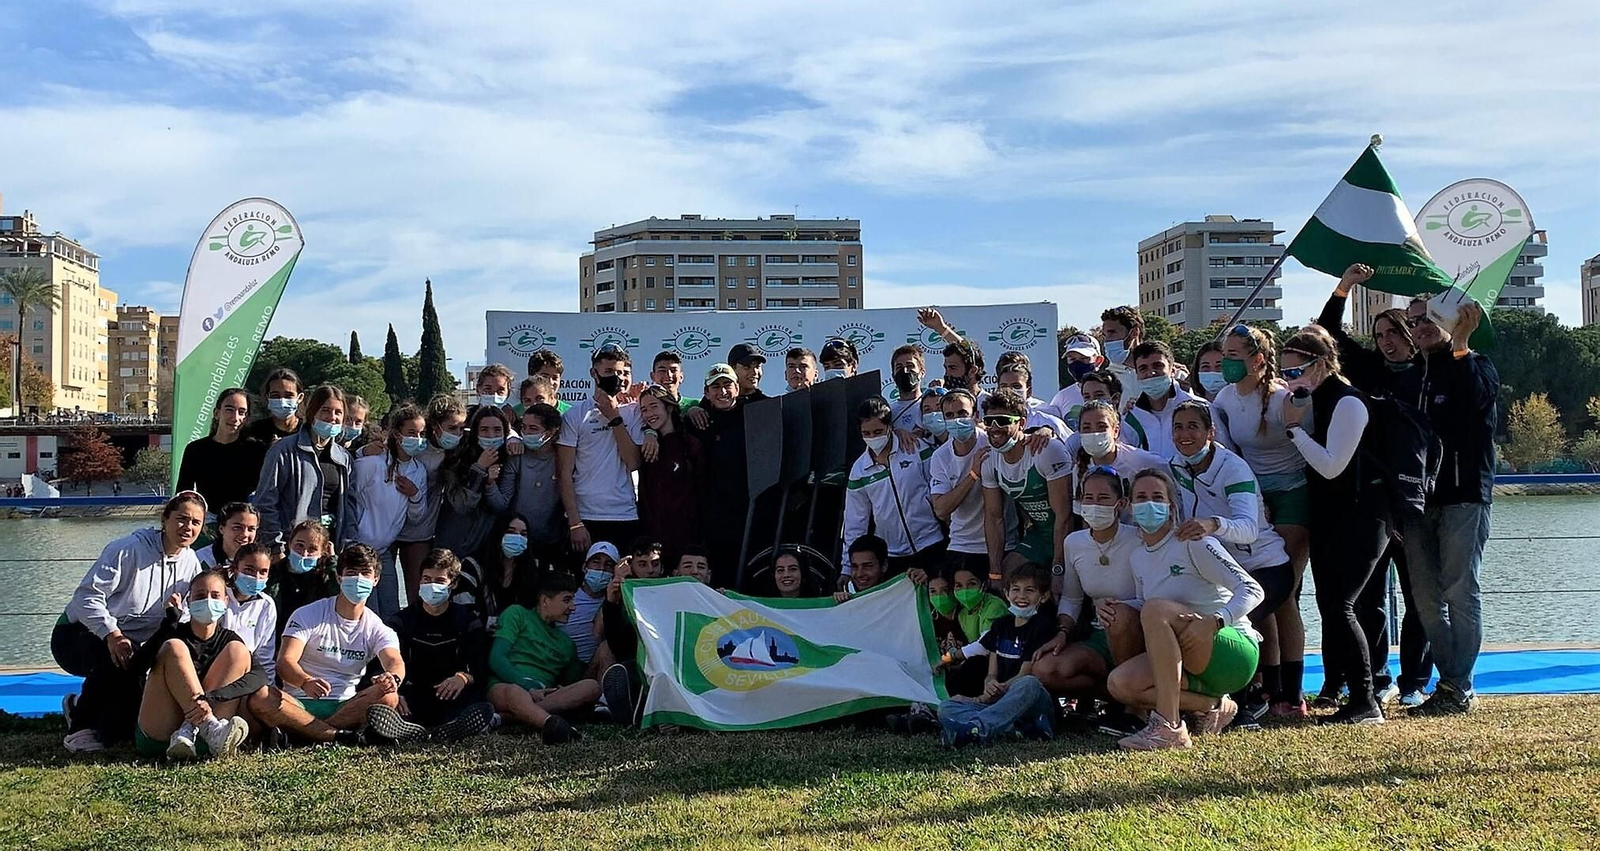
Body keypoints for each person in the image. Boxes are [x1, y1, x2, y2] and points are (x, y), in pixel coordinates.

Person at [1106, 468, 1265, 751]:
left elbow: (1253, 589)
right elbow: (1146, 606)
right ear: (1129, 506)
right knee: (1120, 685)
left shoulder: (1195, 542)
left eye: (1157, 497)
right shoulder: (1139, 556)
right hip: (1186, 651)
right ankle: (1215, 705)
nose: (1149, 503)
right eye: (1141, 497)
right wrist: (1111, 606)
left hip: (1230, 649)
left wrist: (1216, 621)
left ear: (1171, 508)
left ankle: (1169, 727)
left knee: (1156, 611)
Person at [1281, 327, 1390, 725]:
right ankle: (1352, 694)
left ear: (1323, 364)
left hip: (1362, 516)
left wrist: (1293, 430)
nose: (1292, 379)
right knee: (1331, 605)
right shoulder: (1317, 401)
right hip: (1329, 515)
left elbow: (1331, 465)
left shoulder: (1348, 402)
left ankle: (1366, 700)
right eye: (1287, 371)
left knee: (1342, 605)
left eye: (1298, 371)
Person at [1399, 292, 1498, 716]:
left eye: (1429, 318)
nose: (1420, 326)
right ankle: (1452, 683)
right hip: (1420, 503)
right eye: (1414, 320)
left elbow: (1475, 402)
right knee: (1424, 598)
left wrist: (1460, 345)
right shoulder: (1413, 374)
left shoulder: (1476, 364)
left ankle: (1457, 686)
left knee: (1460, 591)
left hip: (1463, 497)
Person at [1167, 400, 1295, 725]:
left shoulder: (1233, 468)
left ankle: (1245, 702)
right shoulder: (1176, 465)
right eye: (1178, 427)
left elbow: (1249, 530)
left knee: (1234, 626)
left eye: (1193, 426)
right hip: (1224, 572)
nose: (1185, 435)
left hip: (1267, 567)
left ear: (1210, 432)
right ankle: (1213, 699)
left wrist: (1212, 524)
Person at [1212, 323, 1312, 718]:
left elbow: (1310, 444)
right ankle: (1266, 688)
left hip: (1292, 495)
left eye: (1235, 356)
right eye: (1225, 355)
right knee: (1253, 584)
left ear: (1257, 359)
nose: (1226, 363)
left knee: (1283, 593)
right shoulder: (1223, 397)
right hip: (1254, 495)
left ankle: (1293, 693)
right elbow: (1231, 451)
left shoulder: (1281, 398)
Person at [55, 492, 206, 752]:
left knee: (122, 721)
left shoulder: (190, 561)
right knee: (116, 655)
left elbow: (186, 612)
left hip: (135, 641)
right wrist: (111, 633)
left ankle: (80, 705)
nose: (188, 527)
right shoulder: (127, 549)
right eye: (182, 519)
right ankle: (78, 729)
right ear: (165, 519)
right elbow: (86, 597)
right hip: (78, 632)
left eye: (196, 523)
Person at [247, 544, 406, 745]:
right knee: (261, 696)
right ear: (339, 578)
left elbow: (394, 660)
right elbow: (285, 662)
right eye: (351, 573)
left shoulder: (376, 627)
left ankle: (307, 735)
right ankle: (338, 736)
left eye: (365, 573)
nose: (358, 579)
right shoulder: (308, 614)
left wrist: (392, 678)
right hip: (298, 702)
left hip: (345, 704)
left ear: (375, 580)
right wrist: (305, 681)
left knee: (389, 696)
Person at [1030, 467, 1141, 701]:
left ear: (1120, 503)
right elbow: (1072, 598)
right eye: (1088, 498)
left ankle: (1135, 701)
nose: (1094, 504)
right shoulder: (1074, 542)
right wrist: (1062, 632)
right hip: (1100, 637)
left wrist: (1117, 606)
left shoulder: (1138, 539)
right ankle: (1118, 696)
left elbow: (1153, 596)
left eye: (1103, 498)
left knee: (1117, 614)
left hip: (1138, 637)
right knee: (1045, 669)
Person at [367, 548, 496, 744]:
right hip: (413, 692)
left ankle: (451, 727)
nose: (431, 586)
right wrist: (394, 692)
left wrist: (463, 678)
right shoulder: (401, 622)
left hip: (453, 692)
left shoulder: (467, 620)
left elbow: (480, 666)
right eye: (426, 579)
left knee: (472, 702)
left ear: (453, 584)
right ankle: (405, 728)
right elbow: (381, 665)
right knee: (392, 705)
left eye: (439, 581)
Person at [130, 569, 262, 759]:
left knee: (238, 651)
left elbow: (260, 676)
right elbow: (135, 668)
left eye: (215, 595)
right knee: (174, 647)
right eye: (200, 596)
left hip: (206, 739)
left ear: (226, 602)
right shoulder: (174, 632)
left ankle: (198, 729)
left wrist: (212, 698)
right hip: (161, 733)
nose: (208, 600)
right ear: (188, 601)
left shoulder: (230, 639)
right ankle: (206, 725)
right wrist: (170, 623)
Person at [935, 563, 1058, 746]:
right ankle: (1017, 730)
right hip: (998, 703)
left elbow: (1026, 673)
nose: (1021, 596)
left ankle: (976, 728)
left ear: (1043, 596)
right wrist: (990, 683)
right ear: (1007, 593)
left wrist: (987, 696)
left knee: (1028, 683)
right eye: (1016, 589)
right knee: (946, 707)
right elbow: (992, 671)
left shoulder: (1041, 626)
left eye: (1029, 590)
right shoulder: (1001, 625)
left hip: (1031, 700)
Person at [486, 571, 601, 744]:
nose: (573, 607)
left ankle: (505, 719)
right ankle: (554, 726)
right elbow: (496, 658)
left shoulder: (566, 644)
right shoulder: (517, 614)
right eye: (566, 600)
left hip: (544, 695)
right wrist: (528, 687)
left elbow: (571, 684)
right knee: (515, 693)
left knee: (591, 686)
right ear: (545, 600)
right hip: (506, 686)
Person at [841, 397, 945, 579]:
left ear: (890, 427)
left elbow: (940, 490)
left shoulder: (916, 448)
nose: (873, 437)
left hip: (932, 543)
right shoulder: (859, 470)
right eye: (867, 433)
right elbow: (854, 522)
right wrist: (847, 567)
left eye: (878, 431)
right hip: (892, 554)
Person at [557, 346, 644, 556]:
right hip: (586, 516)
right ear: (593, 373)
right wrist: (575, 523)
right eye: (608, 372)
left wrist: (614, 417)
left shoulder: (634, 412)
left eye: (621, 372)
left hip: (625, 514)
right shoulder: (574, 415)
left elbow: (633, 462)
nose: (616, 378)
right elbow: (564, 474)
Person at [980, 389, 1072, 585]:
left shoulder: (1046, 451)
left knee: (1060, 595)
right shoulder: (989, 460)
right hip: (1039, 536)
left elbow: (1064, 516)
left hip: (1070, 536)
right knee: (1007, 579)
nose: (994, 428)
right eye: (989, 421)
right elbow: (994, 518)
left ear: (1021, 423)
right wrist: (995, 571)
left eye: (1003, 420)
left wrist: (1058, 566)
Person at [346, 403, 430, 619]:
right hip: (359, 548)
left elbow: (417, 516)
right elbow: (347, 496)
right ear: (397, 434)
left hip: (383, 551)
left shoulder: (418, 470)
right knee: (368, 612)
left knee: (391, 611)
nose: (417, 438)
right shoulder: (373, 463)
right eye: (411, 433)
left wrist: (415, 495)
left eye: (421, 433)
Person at [389, 395, 467, 612]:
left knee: (417, 592)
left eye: (461, 429)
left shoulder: (454, 452)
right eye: (452, 427)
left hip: (420, 528)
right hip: (387, 526)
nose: (457, 434)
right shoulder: (416, 444)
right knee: (384, 591)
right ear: (435, 426)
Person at [254, 384, 355, 550]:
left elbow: (350, 507)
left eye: (338, 412)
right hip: (291, 547)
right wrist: (275, 546)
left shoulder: (344, 459)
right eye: (325, 410)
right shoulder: (283, 450)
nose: (332, 417)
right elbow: (265, 502)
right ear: (312, 412)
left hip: (329, 548)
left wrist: (348, 545)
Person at [693, 364, 754, 586]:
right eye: (715, 387)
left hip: (751, 514)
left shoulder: (756, 413)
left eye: (727, 385)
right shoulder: (697, 421)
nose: (722, 392)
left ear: (737, 387)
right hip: (712, 517)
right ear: (707, 393)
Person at [636, 386, 707, 566]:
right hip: (653, 543)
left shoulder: (690, 444)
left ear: (668, 407)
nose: (649, 413)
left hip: (687, 539)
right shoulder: (646, 444)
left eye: (654, 406)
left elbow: (702, 490)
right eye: (644, 409)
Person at [490, 404, 568, 563]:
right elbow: (501, 503)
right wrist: (489, 483)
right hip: (517, 540)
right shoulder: (516, 456)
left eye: (533, 428)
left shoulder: (563, 457)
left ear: (551, 431)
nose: (526, 433)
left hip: (551, 542)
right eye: (523, 427)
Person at [435, 405, 512, 559]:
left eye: (497, 430)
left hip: (488, 545)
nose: (491, 436)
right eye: (484, 430)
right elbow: (461, 505)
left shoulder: (509, 460)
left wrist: (490, 483)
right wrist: (479, 469)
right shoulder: (455, 458)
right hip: (453, 544)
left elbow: (501, 505)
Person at [928, 390, 990, 579]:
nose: (956, 420)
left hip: (997, 544)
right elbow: (941, 509)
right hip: (960, 544)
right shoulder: (940, 456)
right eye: (950, 416)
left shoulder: (990, 443)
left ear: (975, 415)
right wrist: (973, 474)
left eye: (962, 413)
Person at [174, 387, 267, 511]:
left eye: (241, 412)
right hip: (208, 520)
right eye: (229, 410)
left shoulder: (257, 450)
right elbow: (183, 494)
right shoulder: (196, 450)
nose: (235, 417)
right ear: (217, 413)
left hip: (243, 521)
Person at [1067, 401, 1162, 514]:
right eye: (1086, 428)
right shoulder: (1078, 471)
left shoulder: (1141, 461)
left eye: (1101, 427)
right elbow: (1084, 516)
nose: (1094, 433)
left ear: (1115, 431)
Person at [456, 514, 539, 631]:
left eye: (524, 534)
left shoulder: (531, 568)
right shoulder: (472, 565)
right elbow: (463, 607)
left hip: (519, 636)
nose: (518, 537)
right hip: (477, 635)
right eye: (511, 532)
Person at [265, 519, 336, 642]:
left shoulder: (325, 578)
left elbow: (340, 598)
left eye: (312, 549)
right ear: (289, 543)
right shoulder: (272, 573)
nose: (304, 553)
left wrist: (332, 563)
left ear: (322, 552)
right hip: (273, 642)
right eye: (299, 545)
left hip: (312, 643)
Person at [1123, 342, 1195, 460]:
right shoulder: (1131, 417)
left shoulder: (1199, 408)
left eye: (1157, 365)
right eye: (1143, 368)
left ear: (1172, 370)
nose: (1151, 373)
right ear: (1137, 375)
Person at [220, 542, 278, 684]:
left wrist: (269, 685)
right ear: (235, 569)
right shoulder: (218, 594)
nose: (256, 577)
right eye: (249, 570)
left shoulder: (267, 605)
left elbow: (264, 655)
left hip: (247, 674)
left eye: (263, 572)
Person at [565, 542, 618, 677]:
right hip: (563, 664)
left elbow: (597, 633)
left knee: (607, 649)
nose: (601, 569)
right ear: (585, 567)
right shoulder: (566, 596)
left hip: (593, 668)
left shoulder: (615, 602)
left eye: (608, 565)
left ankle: (601, 698)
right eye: (596, 562)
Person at [995, 360, 1071, 440]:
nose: (1009, 391)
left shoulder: (1051, 423)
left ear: (1029, 391)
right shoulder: (990, 424)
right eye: (1004, 386)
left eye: (1016, 386)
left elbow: (1072, 448)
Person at [1043, 333, 1104, 427]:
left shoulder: (1115, 390)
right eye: (1072, 359)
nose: (1077, 364)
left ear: (1098, 361)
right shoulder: (1061, 397)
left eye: (1084, 358)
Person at [1097, 306, 1144, 414]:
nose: (1107, 340)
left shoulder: (1166, 374)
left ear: (1134, 333)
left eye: (1112, 332)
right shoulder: (1104, 379)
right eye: (1105, 335)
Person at [245, 367, 303, 445]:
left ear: (299, 398)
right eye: (275, 395)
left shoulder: (308, 431)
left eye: (288, 396)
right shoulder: (253, 432)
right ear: (267, 397)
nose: (282, 400)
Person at [197, 502, 260, 570]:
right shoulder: (201, 560)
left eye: (251, 529)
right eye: (237, 527)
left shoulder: (260, 561)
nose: (245, 534)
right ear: (221, 528)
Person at [887, 344, 928, 435]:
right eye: (899, 367)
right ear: (893, 375)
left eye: (910, 366)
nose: (905, 370)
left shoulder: (932, 406)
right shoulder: (888, 412)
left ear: (922, 372)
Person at [833, 535, 889, 601]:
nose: (859, 574)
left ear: (884, 566)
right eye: (854, 566)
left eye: (867, 566)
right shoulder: (848, 593)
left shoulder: (898, 597)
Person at [758, 548, 828, 598]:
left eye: (793, 569)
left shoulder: (819, 605)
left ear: (802, 573)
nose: (786, 575)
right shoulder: (760, 607)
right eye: (780, 570)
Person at [525, 349, 570, 414]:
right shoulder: (515, 413)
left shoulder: (571, 413)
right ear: (531, 377)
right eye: (545, 377)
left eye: (555, 378)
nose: (551, 382)